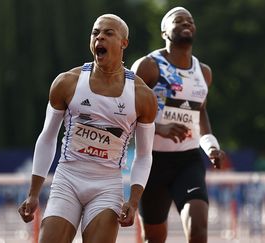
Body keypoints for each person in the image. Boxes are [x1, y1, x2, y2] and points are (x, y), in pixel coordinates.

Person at [18, 14, 157, 243]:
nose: (100, 36)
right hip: (68, 178)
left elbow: (143, 155)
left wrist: (133, 201)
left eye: (108, 33)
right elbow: (47, 138)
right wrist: (33, 194)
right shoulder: (67, 82)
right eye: (95, 32)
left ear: (124, 42)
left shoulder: (142, 96)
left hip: (107, 185)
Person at [130, 7, 225, 243]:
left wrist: (211, 146)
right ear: (164, 31)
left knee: (198, 228)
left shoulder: (203, 72)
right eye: (179, 20)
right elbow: (125, 113)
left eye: (190, 21)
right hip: (151, 161)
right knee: (154, 238)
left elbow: (200, 113)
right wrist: (158, 128)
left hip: (188, 160)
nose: (186, 24)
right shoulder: (148, 66)